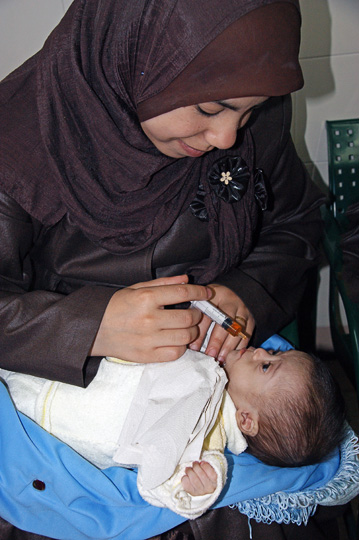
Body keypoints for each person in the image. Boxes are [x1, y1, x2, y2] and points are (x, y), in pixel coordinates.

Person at [0, 0, 338, 538]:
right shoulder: (17, 140)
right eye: (210, 109)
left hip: (223, 377)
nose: (229, 138)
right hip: (57, 400)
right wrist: (89, 326)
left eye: (248, 113)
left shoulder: (253, 111)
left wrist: (244, 292)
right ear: (134, 59)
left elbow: (296, 222)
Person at [0, 343, 346, 519]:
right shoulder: (213, 365)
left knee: (21, 405)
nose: (257, 351)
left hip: (70, 424)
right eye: (271, 351)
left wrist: (200, 490)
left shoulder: (212, 434)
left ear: (246, 421)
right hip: (81, 372)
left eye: (266, 365)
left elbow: (186, 477)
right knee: (22, 370)